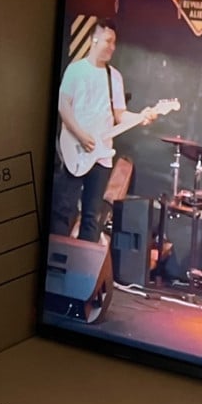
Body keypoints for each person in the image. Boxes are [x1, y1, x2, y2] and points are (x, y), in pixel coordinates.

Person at [51, 19, 158, 242]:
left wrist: (141, 117)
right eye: (108, 41)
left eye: (114, 42)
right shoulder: (76, 70)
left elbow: (120, 114)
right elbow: (63, 105)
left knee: (92, 216)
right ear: (94, 40)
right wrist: (81, 135)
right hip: (75, 149)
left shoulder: (114, 77)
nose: (112, 47)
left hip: (101, 155)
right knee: (63, 210)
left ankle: (83, 263)